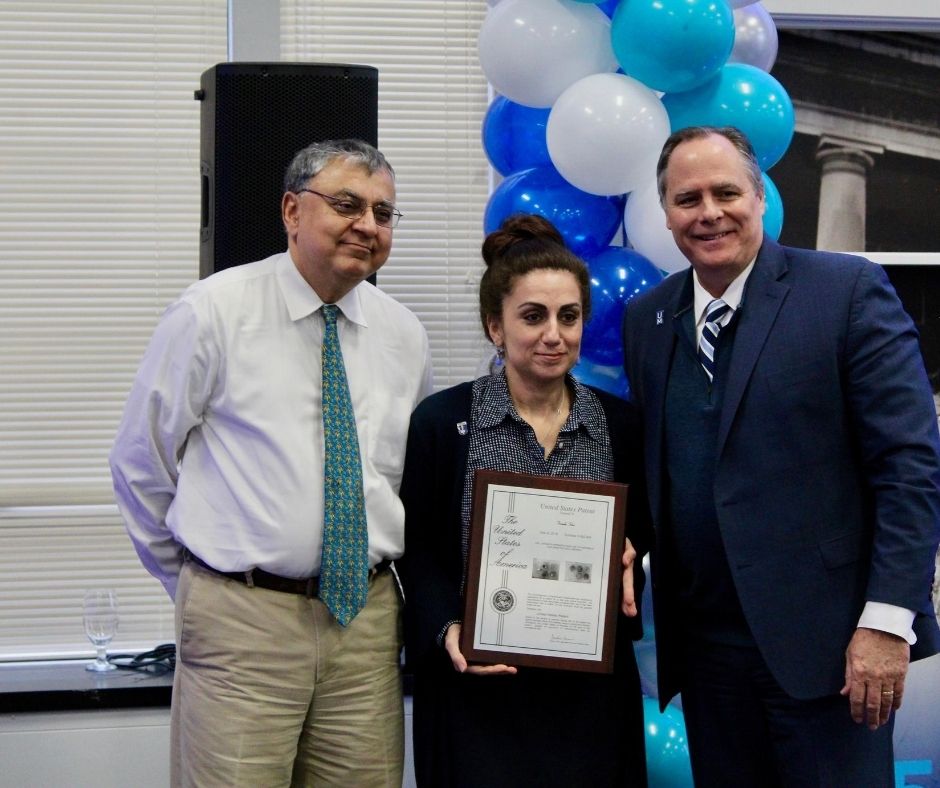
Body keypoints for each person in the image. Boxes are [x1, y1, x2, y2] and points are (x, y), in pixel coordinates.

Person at [621, 125, 940, 786]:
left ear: (761, 196)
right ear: (667, 215)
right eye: (687, 199)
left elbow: (909, 470)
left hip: (833, 658)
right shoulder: (647, 319)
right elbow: (663, 468)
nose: (708, 212)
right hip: (708, 662)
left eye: (726, 192)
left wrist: (887, 624)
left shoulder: (845, 292)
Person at [109, 139, 432, 787]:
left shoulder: (404, 334)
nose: (367, 225)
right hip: (242, 626)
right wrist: (202, 585)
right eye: (346, 204)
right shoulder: (213, 313)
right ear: (291, 210)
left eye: (384, 213)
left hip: (364, 628)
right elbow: (139, 465)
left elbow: (405, 484)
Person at [399, 214, 650, 788]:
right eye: (532, 317)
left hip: (590, 696)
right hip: (477, 690)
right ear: (496, 326)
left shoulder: (621, 426)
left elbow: (646, 534)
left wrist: (633, 552)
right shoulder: (443, 424)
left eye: (569, 316)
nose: (553, 335)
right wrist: (446, 630)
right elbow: (415, 552)